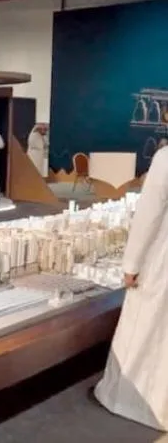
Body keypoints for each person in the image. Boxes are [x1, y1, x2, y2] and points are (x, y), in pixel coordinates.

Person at [93, 146, 168, 431]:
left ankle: (129, 401)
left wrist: (132, 264)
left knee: (146, 329)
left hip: (162, 260)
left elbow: (149, 215)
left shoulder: (165, 158)